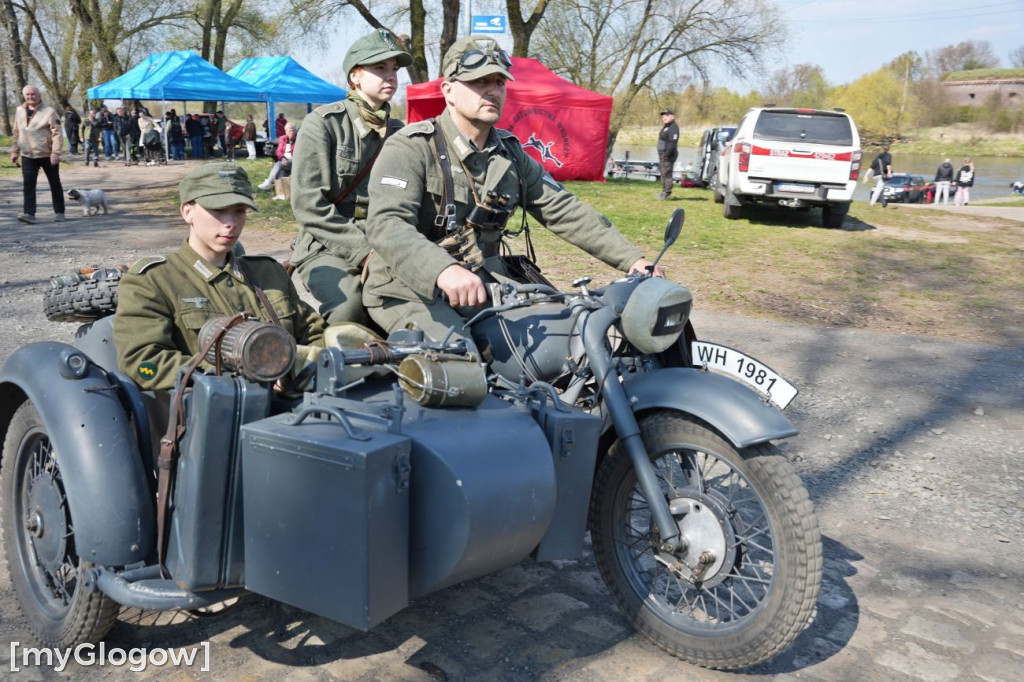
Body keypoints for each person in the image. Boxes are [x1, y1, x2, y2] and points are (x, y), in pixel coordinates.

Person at [363, 35, 664, 345]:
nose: (492, 90)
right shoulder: (412, 147)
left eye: (499, 82)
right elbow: (388, 225)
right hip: (408, 287)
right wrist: (442, 269)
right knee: (458, 363)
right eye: (479, 81)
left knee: (564, 343)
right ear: (448, 90)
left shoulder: (509, 154)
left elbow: (563, 209)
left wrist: (633, 261)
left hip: (484, 282)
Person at [113, 163, 326, 391]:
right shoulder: (153, 281)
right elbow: (144, 363)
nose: (231, 223)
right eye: (218, 210)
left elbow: (314, 334)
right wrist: (240, 372)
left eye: (239, 211)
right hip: (213, 414)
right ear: (187, 212)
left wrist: (300, 370)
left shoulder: (268, 273)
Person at [290, 29, 412, 325]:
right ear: (355, 77)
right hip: (326, 242)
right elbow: (308, 205)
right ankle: (324, 357)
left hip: (384, 239)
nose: (391, 76)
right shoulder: (324, 124)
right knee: (351, 306)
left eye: (394, 69)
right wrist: (363, 251)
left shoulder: (401, 132)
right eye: (380, 68)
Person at [11, 85, 65, 224]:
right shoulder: (19, 111)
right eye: (27, 95)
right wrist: (14, 151)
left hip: (47, 154)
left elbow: (57, 134)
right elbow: (16, 133)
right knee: (28, 185)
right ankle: (29, 214)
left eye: (33, 94)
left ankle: (59, 212)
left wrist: (55, 153)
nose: (30, 97)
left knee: (54, 183)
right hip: (27, 154)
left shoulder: (49, 112)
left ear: (39, 95)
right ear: (24, 96)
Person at [257, 122, 297, 191]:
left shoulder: (298, 139)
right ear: (286, 131)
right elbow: (279, 151)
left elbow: (298, 152)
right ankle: (282, 190)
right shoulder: (283, 139)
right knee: (281, 171)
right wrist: (283, 158)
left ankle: (269, 182)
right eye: (290, 130)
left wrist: (283, 160)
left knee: (278, 164)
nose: (292, 132)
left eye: (293, 130)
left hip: (295, 161)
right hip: (284, 161)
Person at [657, 108, 679, 200]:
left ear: (672, 116)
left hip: (668, 155)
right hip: (662, 154)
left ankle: (667, 194)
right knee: (663, 173)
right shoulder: (666, 126)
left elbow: (672, 143)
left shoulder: (674, 127)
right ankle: (664, 191)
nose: (664, 117)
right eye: (663, 116)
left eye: (666, 116)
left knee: (667, 174)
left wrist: (666, 155)